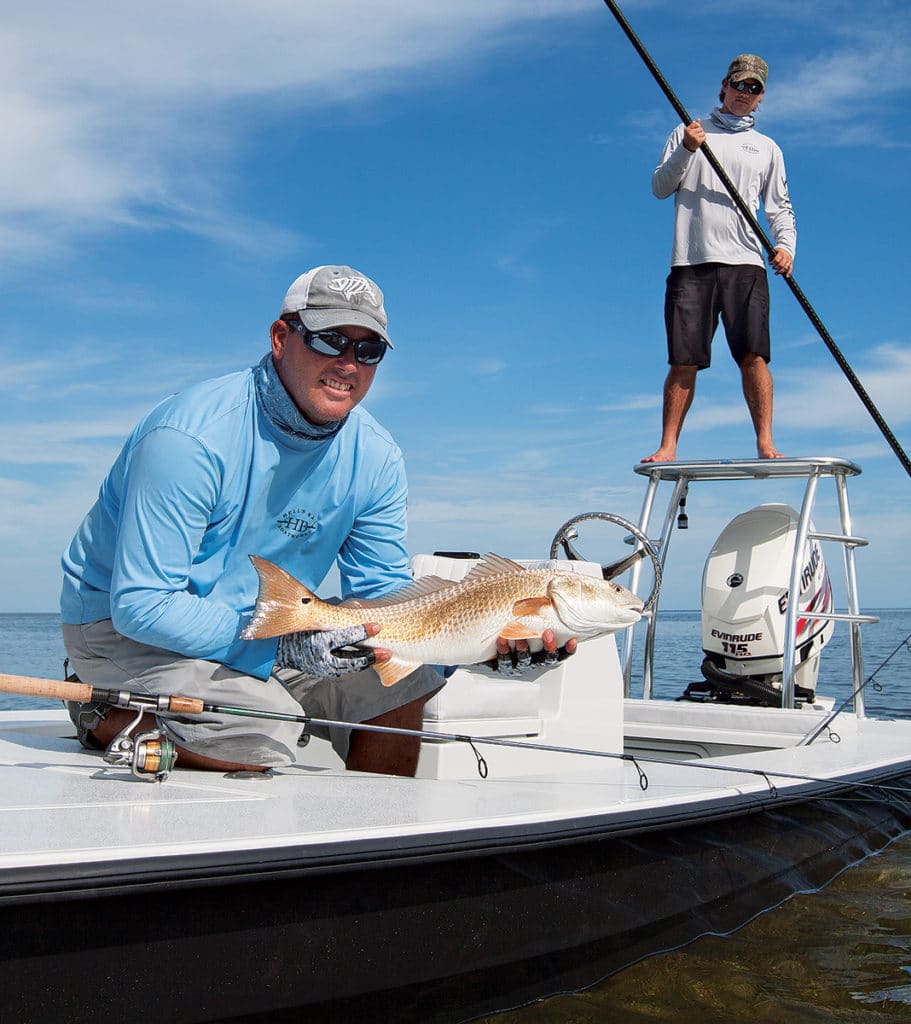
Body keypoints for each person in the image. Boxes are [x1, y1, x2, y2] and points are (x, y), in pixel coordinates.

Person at [60, 265, 569, 778]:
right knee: (267, 728)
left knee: (400, 688)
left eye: (367, 351)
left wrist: (481, 644)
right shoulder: (190, 439)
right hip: (120, 629)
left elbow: (384, 594)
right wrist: (286, 643)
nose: (348, 364)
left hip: (279, 620)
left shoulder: (376, 457)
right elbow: (142, 604)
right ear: (281, 337)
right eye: (330, 341)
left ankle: (374, 847)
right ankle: (105, 712)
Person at [643, 54, 796, 463]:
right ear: (724, 86)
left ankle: (765, 442)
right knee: (683, 360)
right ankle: (668, 445)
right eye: (739, 85)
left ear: (761, 97)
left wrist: (785, 247)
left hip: (746, 263)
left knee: (753, 356)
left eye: (754, 88)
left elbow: (779, 208)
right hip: (690, 263)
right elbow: (660, 187)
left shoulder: (766, 148)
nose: (745, 94)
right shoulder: (687, 132)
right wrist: (688, 151)